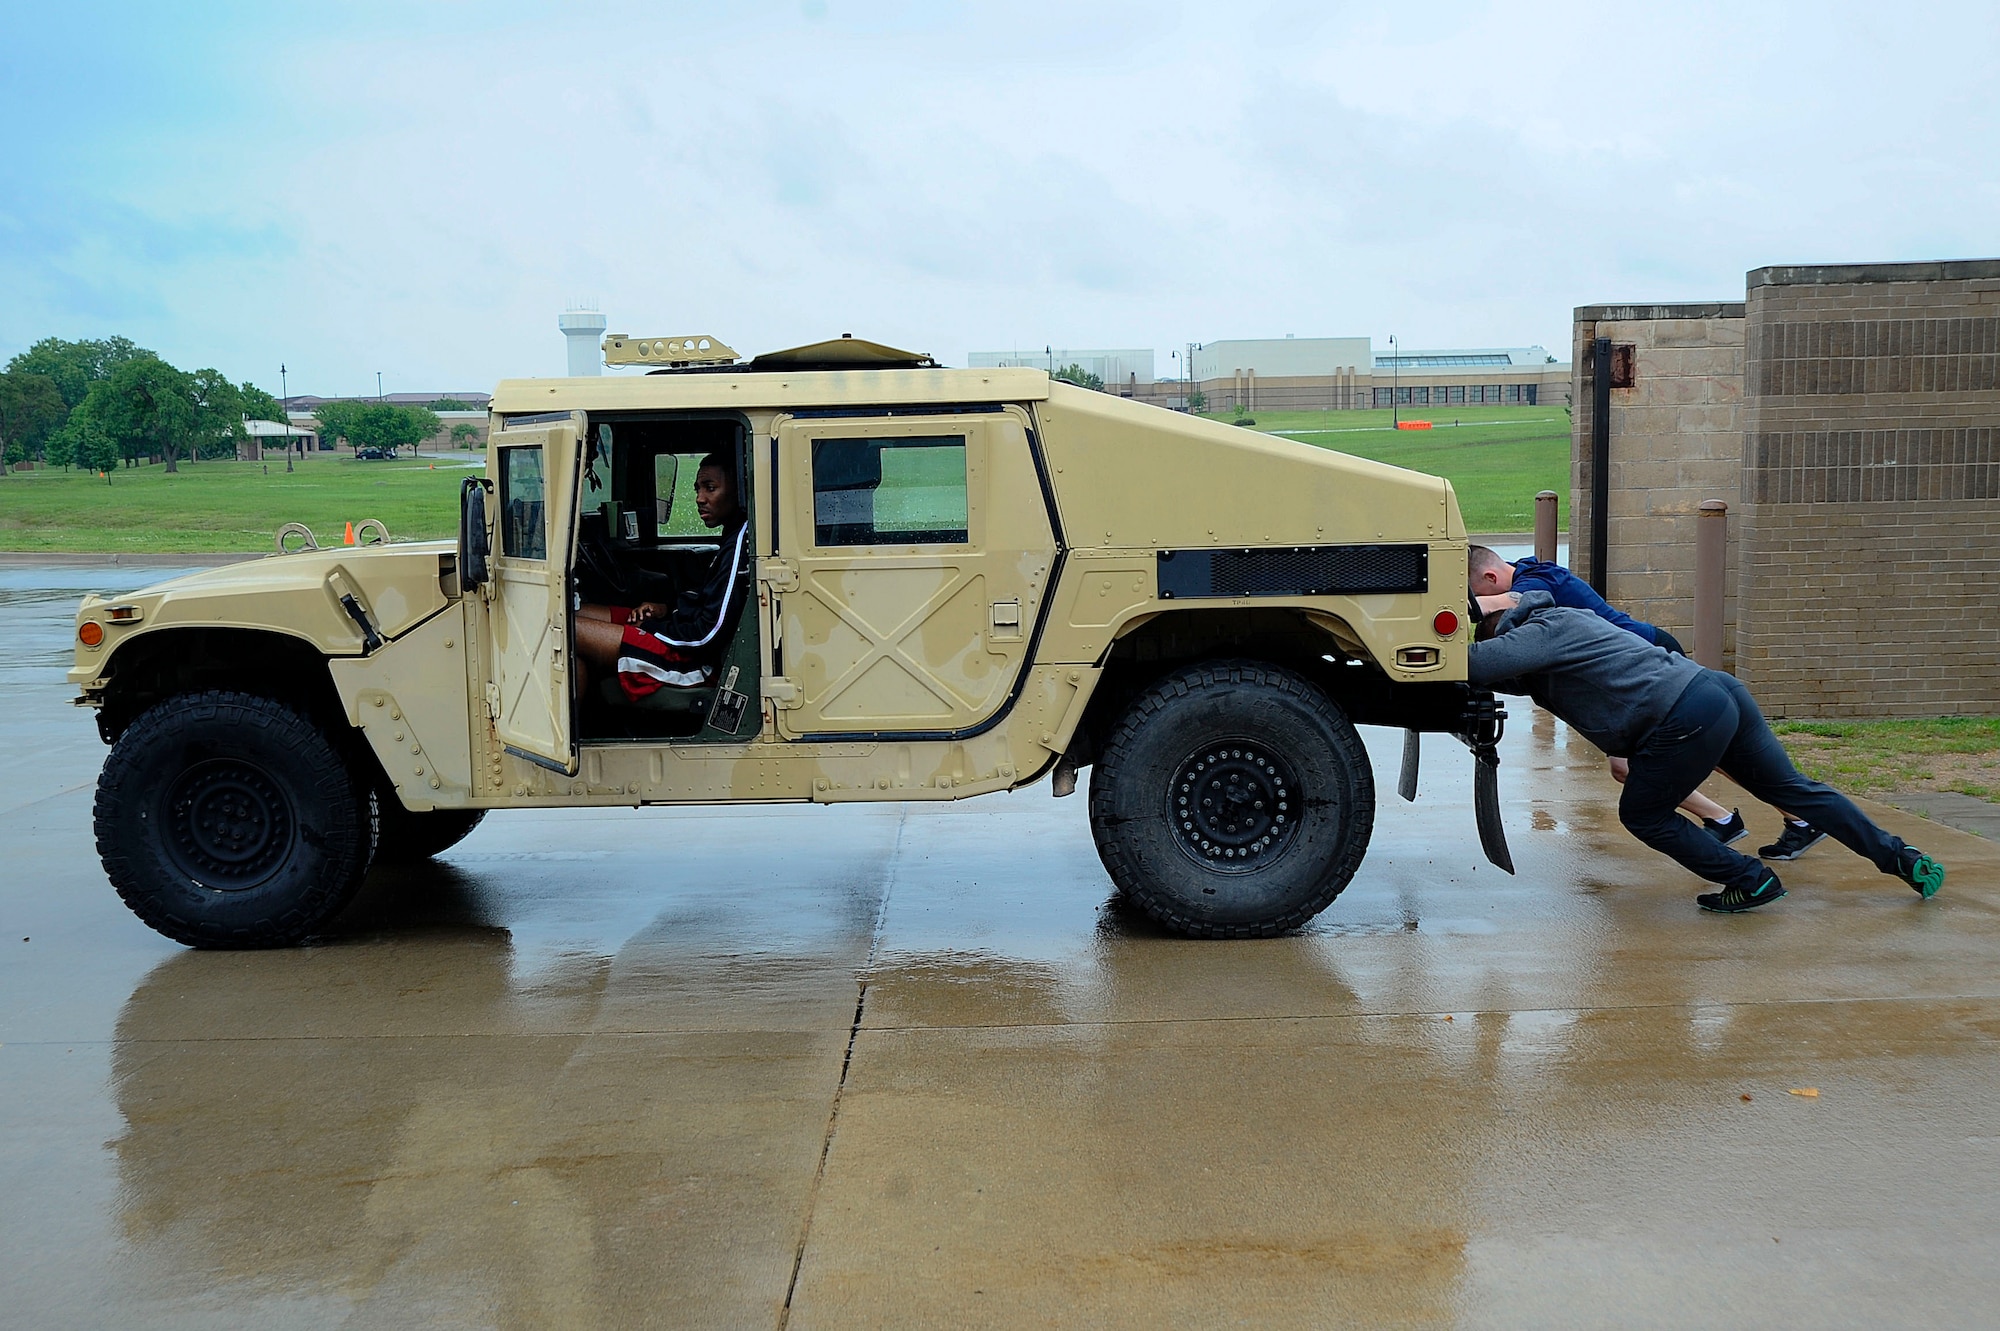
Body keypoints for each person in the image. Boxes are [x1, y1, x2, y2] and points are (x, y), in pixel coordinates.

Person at [1470, 590, 1945, 912]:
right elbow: (1509, 678)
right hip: (1715, 690)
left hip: (1682, 713)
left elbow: (1475, 664)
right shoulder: (1566, 622)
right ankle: (1903, 858)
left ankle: (1749, 879)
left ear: (1502, 626)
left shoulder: (1535, 634)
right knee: (1791, 788)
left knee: (1644, 814)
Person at [1468, 545, 1765, 846]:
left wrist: (1465, 607)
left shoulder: (1534, 582)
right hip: (1636, 668)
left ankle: (1788, 810)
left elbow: (1514, 600)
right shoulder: (1528, 570)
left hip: (1649, 663)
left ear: (1491, 577)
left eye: (1475, 591)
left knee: (1709, 752)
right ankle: (1724, 818)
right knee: (1630, 767)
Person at [574, 452, 749, 701]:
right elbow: (704, 603)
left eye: (710, 488)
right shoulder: (732, 535)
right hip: (678, 633)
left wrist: (651, 628)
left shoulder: (740, 544)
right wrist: (665, 610)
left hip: (691, 662)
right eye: (698, 489)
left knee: (566, 630)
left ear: (739, 490)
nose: (700, 498)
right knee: (573, 614)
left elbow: (708, 634)